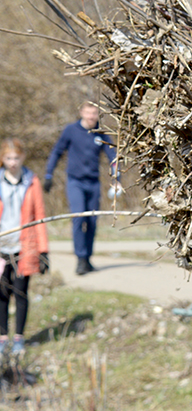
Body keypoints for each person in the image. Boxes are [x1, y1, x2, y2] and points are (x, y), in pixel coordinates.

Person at [44, 101, 117, 275]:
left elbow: (113, 157)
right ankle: (80, 258)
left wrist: (117, 179)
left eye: (95, 113)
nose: (92, 116)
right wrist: (49, 175)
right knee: (78, 218)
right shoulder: (71, 130)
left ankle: (87, 258)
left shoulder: (101, 133)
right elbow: (57, 152)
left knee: (92, 221)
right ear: (82, 112)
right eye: (88, 112)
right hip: (75, 182)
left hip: (93, 183)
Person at [0, 138, 49, 357]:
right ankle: (2, 339)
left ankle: (19, 338)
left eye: (16, 158)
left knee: (20, 292)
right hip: (1, 246)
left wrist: (43, 250)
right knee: (1, 293)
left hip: (25, 246)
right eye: (8, 158)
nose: (12, 162)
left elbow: (39, 216)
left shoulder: (32, 181)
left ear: (23, 158)